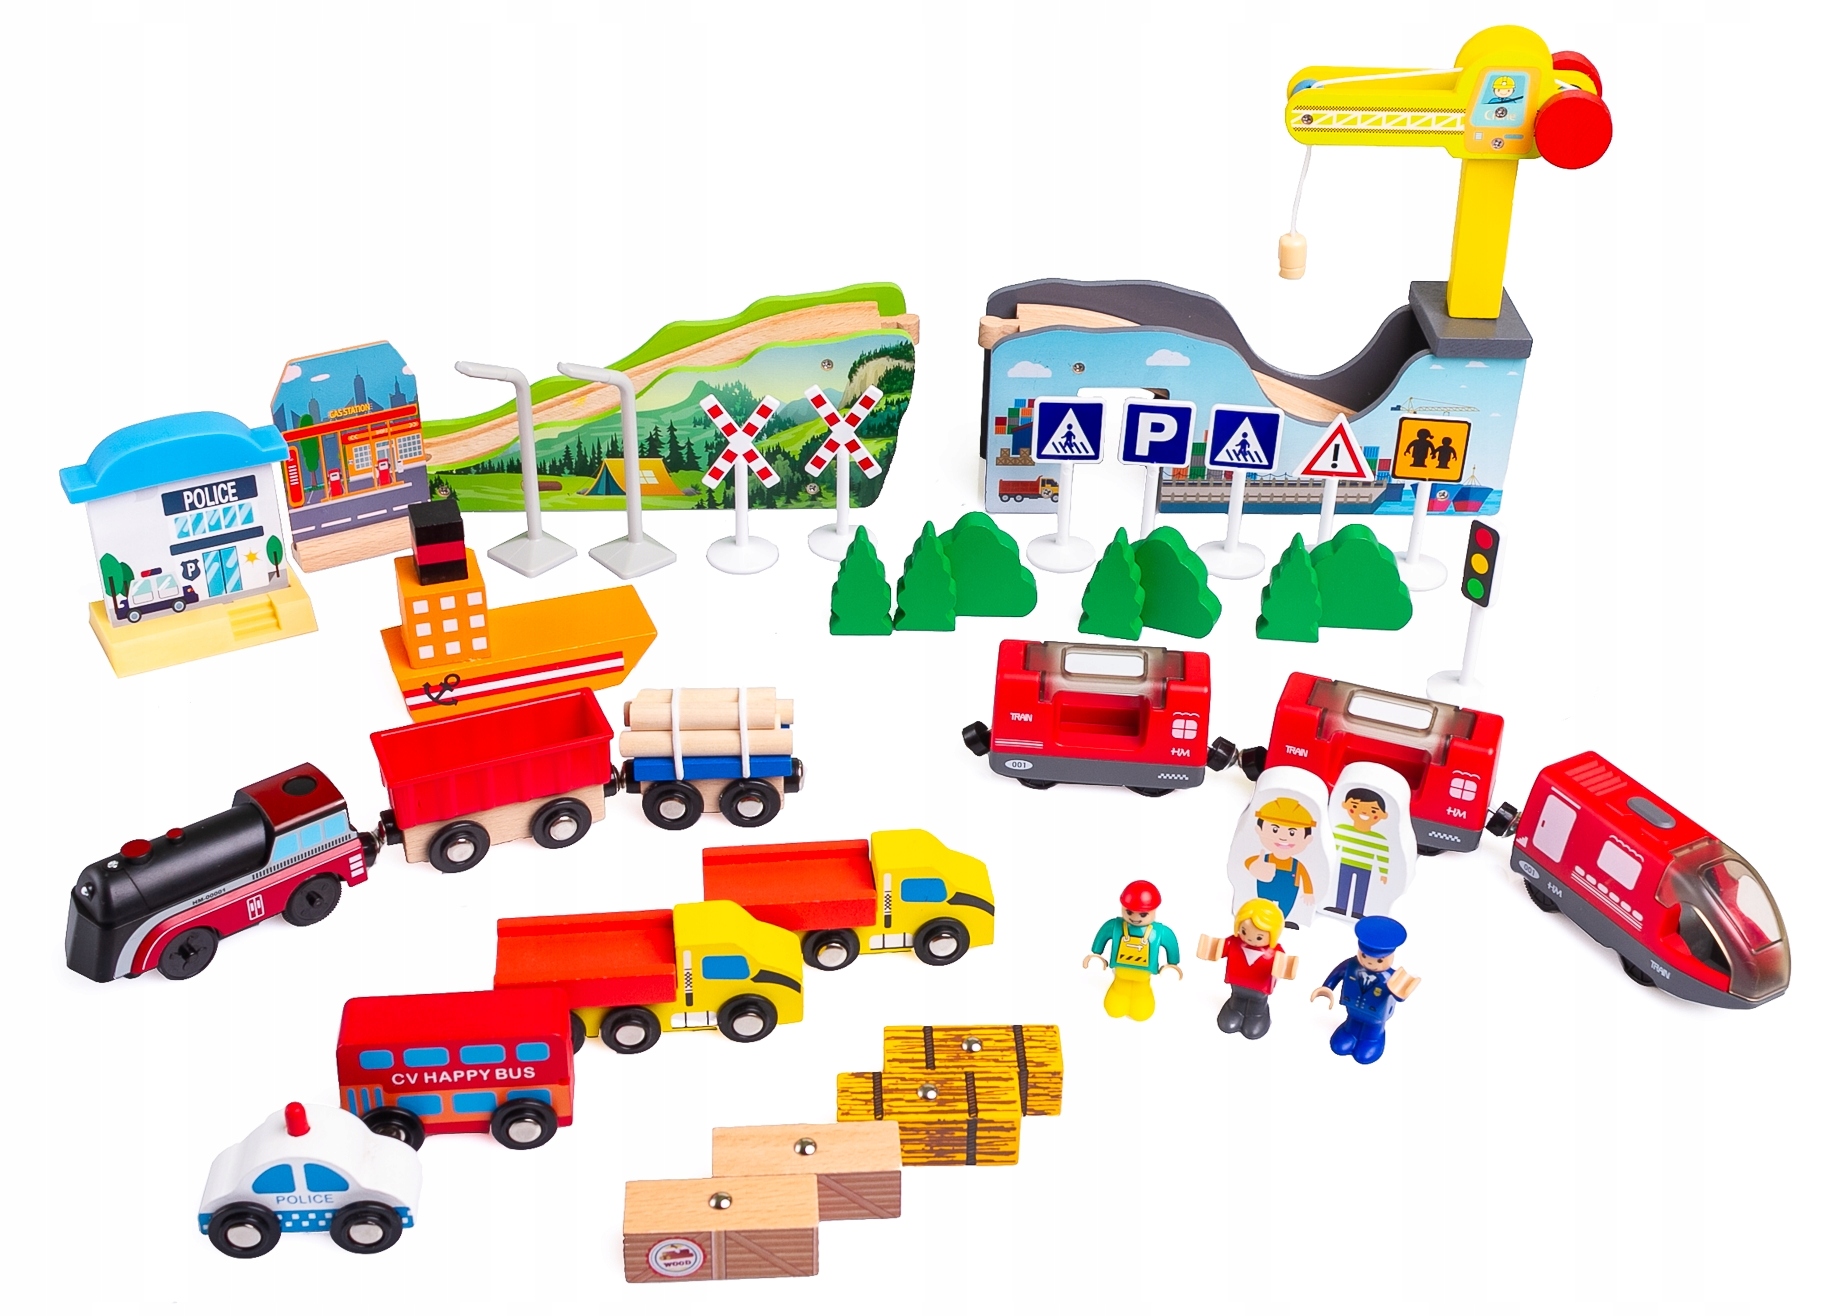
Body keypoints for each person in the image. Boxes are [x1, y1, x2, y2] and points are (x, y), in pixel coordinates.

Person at [1310, 915, 1420, 1064]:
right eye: (1364, 955)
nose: (1370, 962)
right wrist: (1327, 988)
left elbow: (1400, 995)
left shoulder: (1392, 977)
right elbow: (1337, 973)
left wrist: (1401, 991)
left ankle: (1372, 1040)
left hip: (1375, 1017)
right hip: (1353, 1009)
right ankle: (1350, 1034)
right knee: (1349, 1029)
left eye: (1379, 960)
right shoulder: (1351, 965)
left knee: (1370, 1036)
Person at [1198, 898, 1297, 1040]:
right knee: (1236, 1002)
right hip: (1237, 987)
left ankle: (1257, 1016)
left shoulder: (1275, 952)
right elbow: (1218, 947)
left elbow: (1284, 965)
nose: (1250, 939)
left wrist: (1283, 969)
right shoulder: (1234, 942)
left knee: (1256, 1007)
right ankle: (1234, 1011)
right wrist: (1210, 949)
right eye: (1244, 931)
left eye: (1259, 937)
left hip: (1259, 991)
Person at [1084, 880, 1181, 1022]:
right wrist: (1096, 954)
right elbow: (1102, 936)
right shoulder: (1115, 926)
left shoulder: (1160, 932)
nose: (1135, 918)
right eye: (1129, 912)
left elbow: (1171, 945)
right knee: (1116, 1002)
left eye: (1143, 914)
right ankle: (1119, 997)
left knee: (1141, 1004)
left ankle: (1140, 1000)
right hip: (1120, 976)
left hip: (1143, 979)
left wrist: (1172, 964)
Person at [1243, 797, 1317, 926]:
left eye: (1292, 832)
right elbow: (1247, 862)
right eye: (1275, 830)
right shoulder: (1264, 858)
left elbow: (1305, 877)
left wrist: (1308, 892)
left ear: (1307, 839)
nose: (1283, 837)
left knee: (1286, 904)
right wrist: (1255, 866)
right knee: (1264, 902)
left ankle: (1282, 919)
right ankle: (1262, 915)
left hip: (1289, 888)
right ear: (1259, 830)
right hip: (1266, 887)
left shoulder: (1297, 865)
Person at [1327, 788, 1391, 918]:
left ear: (1382, 815)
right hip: (1344, 863)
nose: (1364, 813)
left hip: (1365, 868)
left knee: (1361, 889)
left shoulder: (1379, 838)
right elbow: (1332, 846)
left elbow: (1382, 855)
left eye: (1373, 811)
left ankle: (1357, 911)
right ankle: (1340, 907)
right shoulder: (1340, 829)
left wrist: (1383, 873)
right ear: (1346, 806)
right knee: (1343, 885)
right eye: (1355, 807)